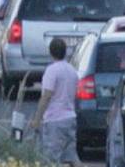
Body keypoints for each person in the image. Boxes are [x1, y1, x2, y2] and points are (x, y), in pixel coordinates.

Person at [30, 38, 83, 167]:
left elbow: (47, 96)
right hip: (70, 118)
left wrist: (37, 119)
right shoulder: (72, 71)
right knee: (71, 157)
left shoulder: (52, 71)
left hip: (55, 120)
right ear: (65, 52)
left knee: (51, 159)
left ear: (51, 52)